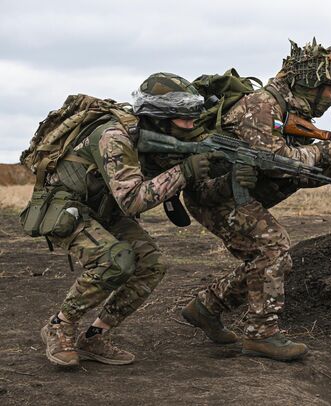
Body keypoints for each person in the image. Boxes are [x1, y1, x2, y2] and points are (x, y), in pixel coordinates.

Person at [179, 39, 331, 361]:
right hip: (214, 192)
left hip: (235, 192)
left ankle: (206, 308)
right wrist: (327, 151)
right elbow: (275, 161)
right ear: (309, 82)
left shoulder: (289, 111)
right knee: (274, 248)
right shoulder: (262, 105)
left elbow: (294, 176)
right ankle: (261, 334)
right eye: (330, 88)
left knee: (272, 257)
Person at [37, 72, 228, 367]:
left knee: (152, 265)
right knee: (116, 261)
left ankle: (95, 336)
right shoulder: (114, 138)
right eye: (184, 119)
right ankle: (59, 324)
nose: (190, 126)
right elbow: (132, 200)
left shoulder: (150, 136)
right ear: (159, 117)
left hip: (104, 209)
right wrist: (184, 172)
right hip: (67, 209)